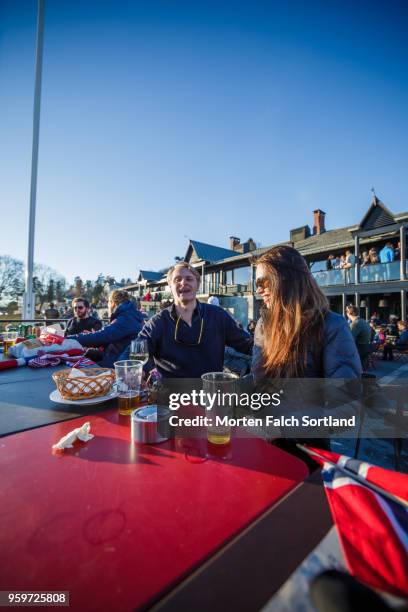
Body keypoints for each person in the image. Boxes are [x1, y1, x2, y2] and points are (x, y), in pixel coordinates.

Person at [253, 246, 361, 380]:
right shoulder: (263, 324)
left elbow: (343, 394)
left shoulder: (332, 326)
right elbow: (258, 379)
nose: (258, 290)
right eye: (257, 284)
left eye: (262, 282)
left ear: (288, 280)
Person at [138, 261, 253, 378]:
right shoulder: (157, 323)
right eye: (177, 279)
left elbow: (246, 344)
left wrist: (270, 350)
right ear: (170, 286)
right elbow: (136, 353)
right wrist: (148, 371)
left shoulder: (218, 316)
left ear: (198, 285)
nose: (183, 282)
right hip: (170, 393)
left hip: (210, 391)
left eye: (189, 279)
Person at [66, 290, 145, 367]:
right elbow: (115, 338)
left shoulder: (125, 318)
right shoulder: (129, 315)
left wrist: (69, 339)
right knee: (87, 354)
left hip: (119, 362)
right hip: (119, 356)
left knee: (81, 368)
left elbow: (103, 335)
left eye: (108, 302)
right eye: (75, 308)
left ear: (113, 303)